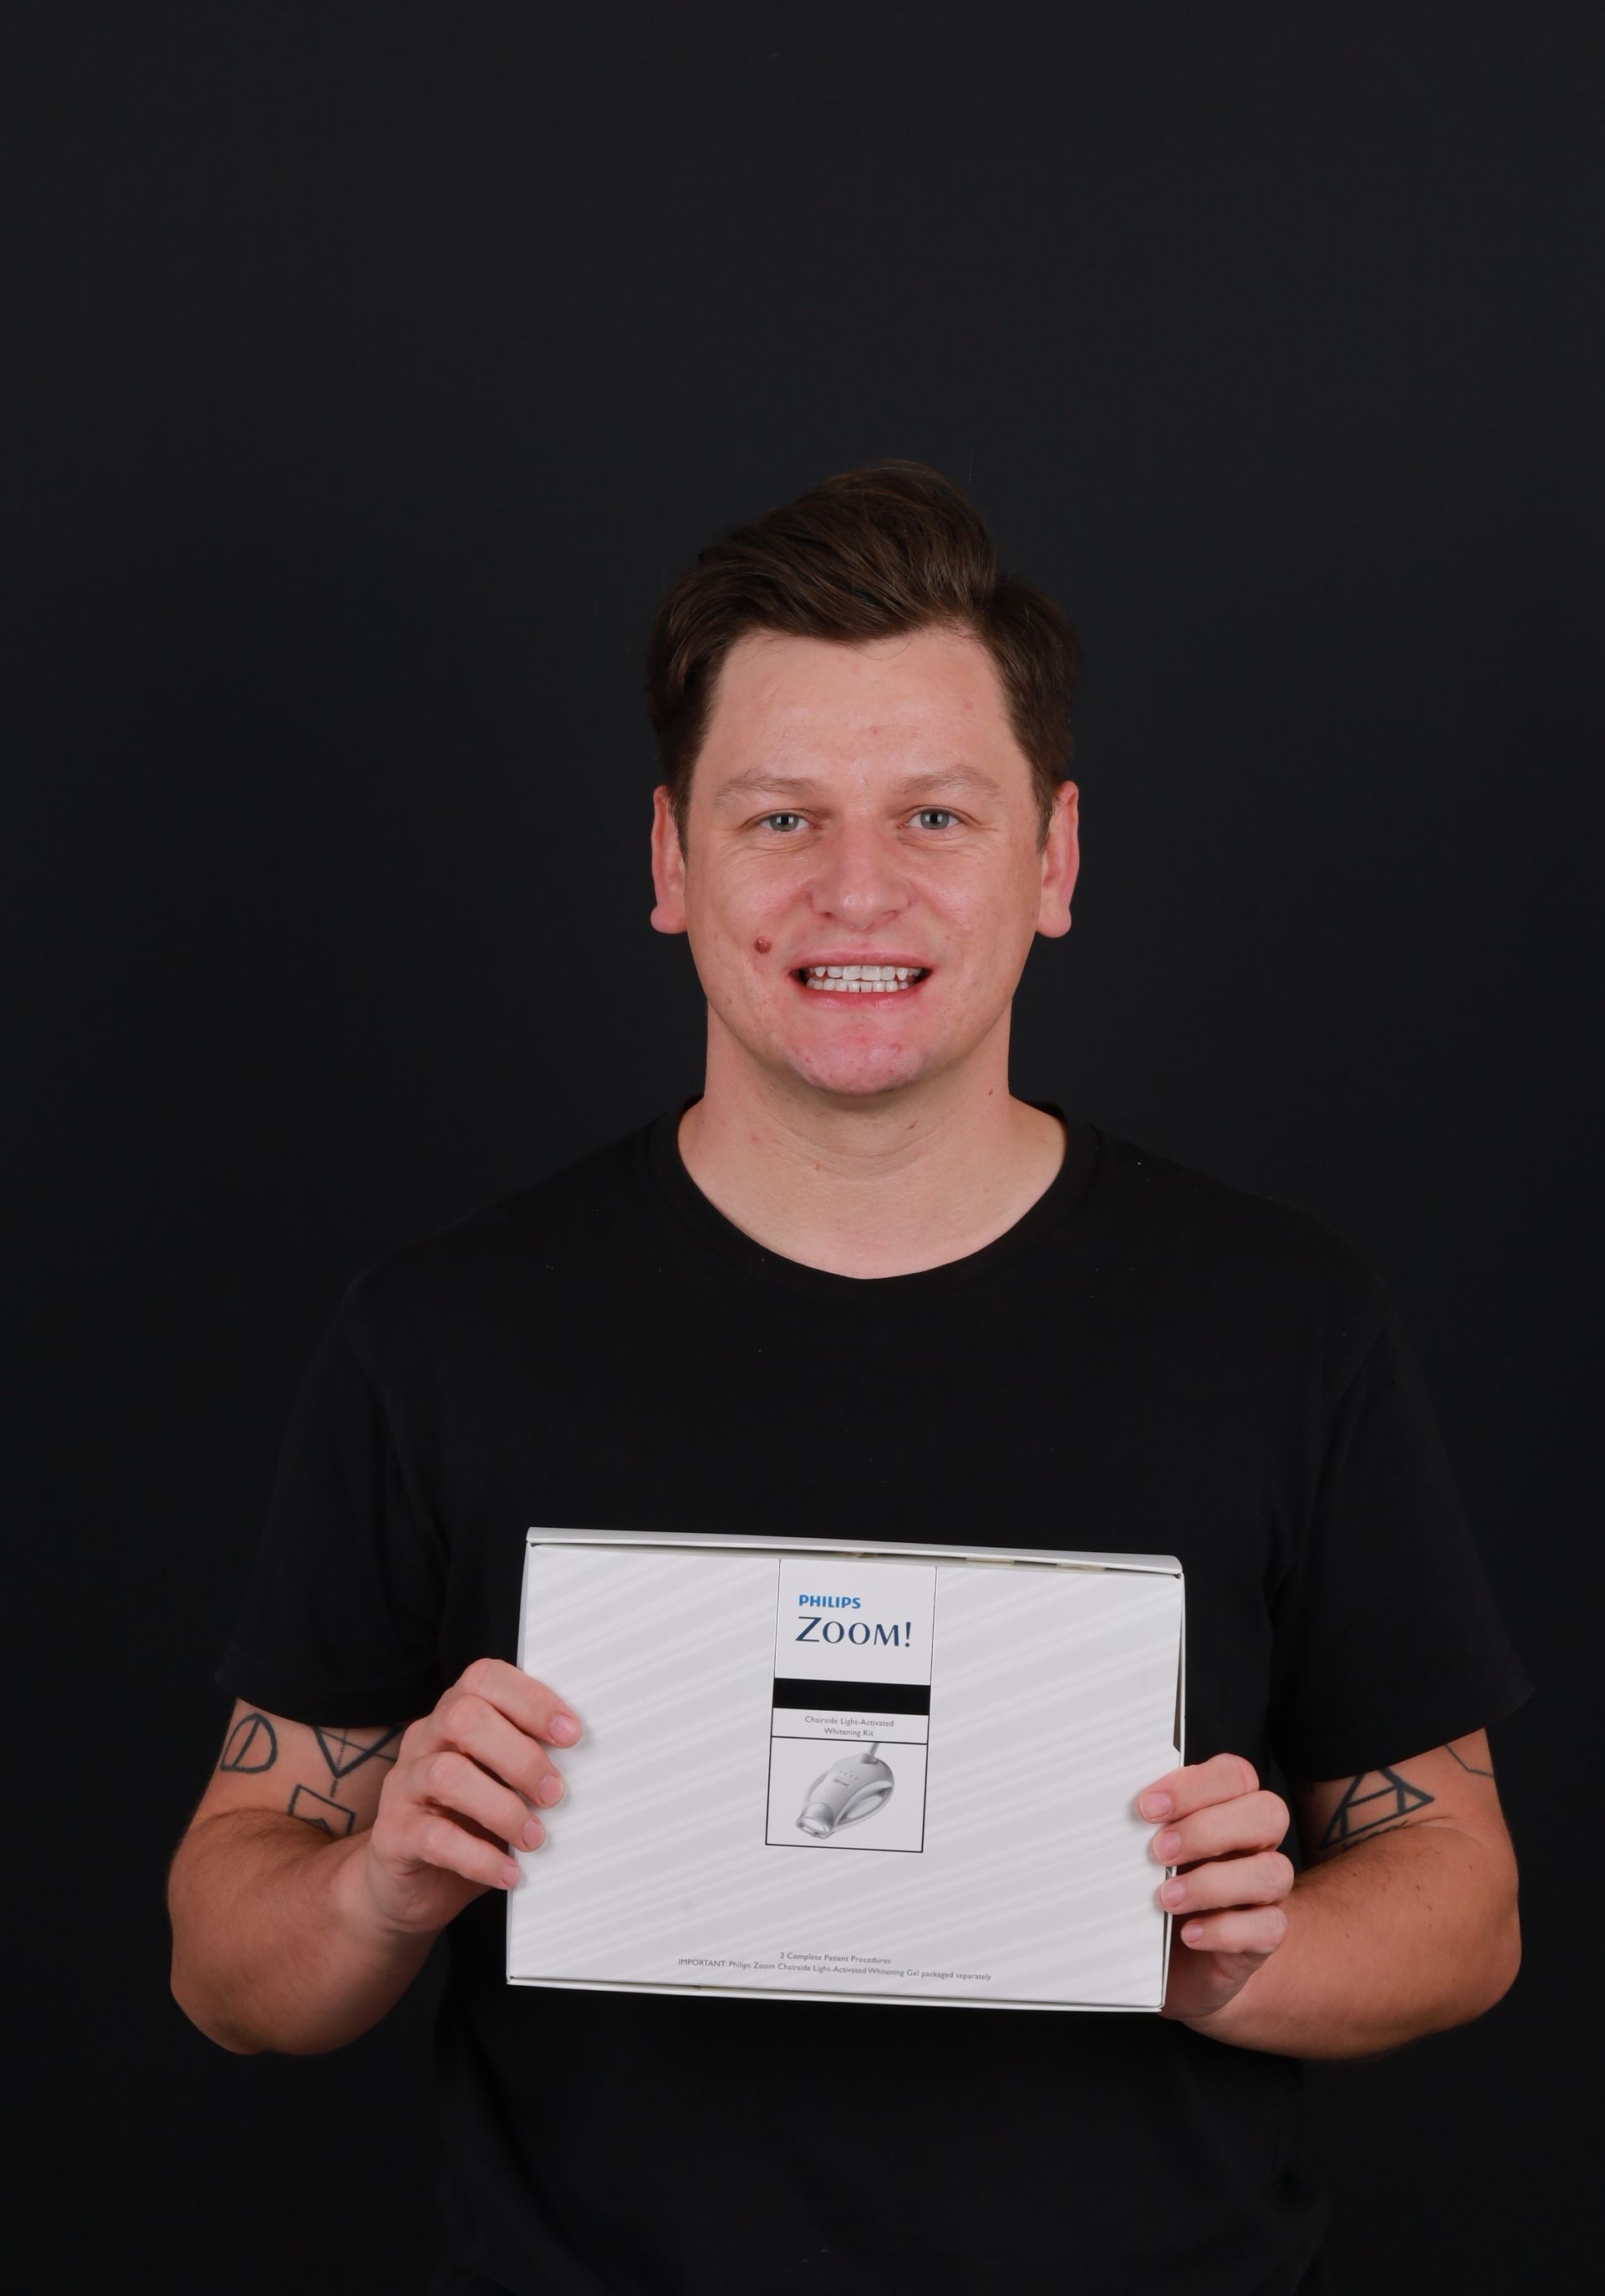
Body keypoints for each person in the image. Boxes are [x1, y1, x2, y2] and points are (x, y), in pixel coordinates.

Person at [167, 461, 1530, 2295]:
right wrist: (378, 1882)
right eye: (781, 817)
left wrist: (1235, 1956)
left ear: (1053, 859)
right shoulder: (447, 1329)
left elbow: (1468, 1907)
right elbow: (220, 1965)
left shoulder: (1282, 1318)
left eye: (940, 817)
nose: (858, 891)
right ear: (670, 859)